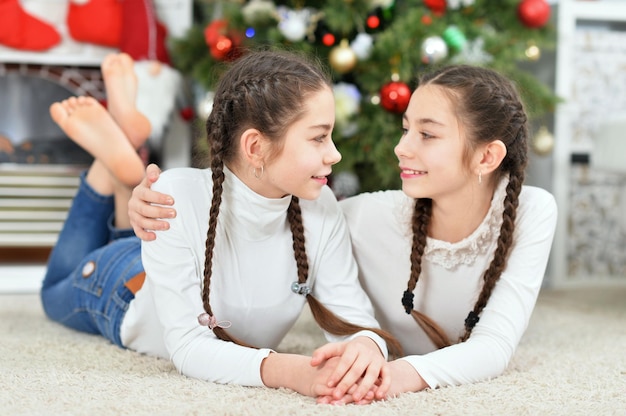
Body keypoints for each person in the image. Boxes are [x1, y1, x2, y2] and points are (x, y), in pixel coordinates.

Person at [128, 64, 558, 402]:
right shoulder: (360, 214)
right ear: (256, 147)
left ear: (488, 156)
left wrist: (375, 361)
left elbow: (491, 344)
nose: (401, 146)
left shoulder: (530, 212)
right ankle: (115, 163)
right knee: (82, 270)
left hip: (179, 259)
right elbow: (255, 206)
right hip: (130, 282)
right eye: (406, 128)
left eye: (427, 134)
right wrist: (144, 201)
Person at [40, 49, 402, 403]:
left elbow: (353, 318)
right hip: (122, 287)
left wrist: (367, 347)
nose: (334, 154)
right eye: (319, 137)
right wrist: (292, 372)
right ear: (255, 146)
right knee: (54, 289)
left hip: (167, 250)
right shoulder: (172, 197)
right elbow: (188, 348)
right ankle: (115, 167)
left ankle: (121, 159)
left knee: (138, 229)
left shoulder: (320, 207)